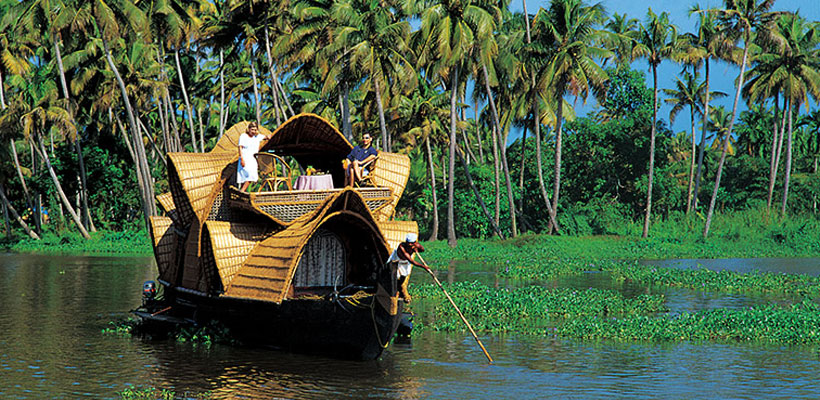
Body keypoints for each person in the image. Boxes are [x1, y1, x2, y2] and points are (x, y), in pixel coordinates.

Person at [387, 233, 426, 303]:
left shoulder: (416, 245)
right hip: (397, 259)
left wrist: (418, 248)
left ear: (415, 242)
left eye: (412, 243)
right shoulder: (402, 247)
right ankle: (394, 291)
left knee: (404, 274)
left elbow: (422, 250)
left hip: (405, 262)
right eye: (409, 243)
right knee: (395, 275)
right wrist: (423, 267)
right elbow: (411, 261)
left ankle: (400, 287)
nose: (410, 245)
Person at [237, 122, 271, 192]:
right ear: (249, 129)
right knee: (247, 175)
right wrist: (242, 159)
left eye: (255, 130)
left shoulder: (257, 137)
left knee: (252, 175)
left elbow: (267, 137)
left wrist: (269, 136)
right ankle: (242, 191)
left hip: (253, 159)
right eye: (252, 129)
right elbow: (240, 147)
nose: (253, 131)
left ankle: (242, 191)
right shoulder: (243, 136)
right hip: (245, 157)